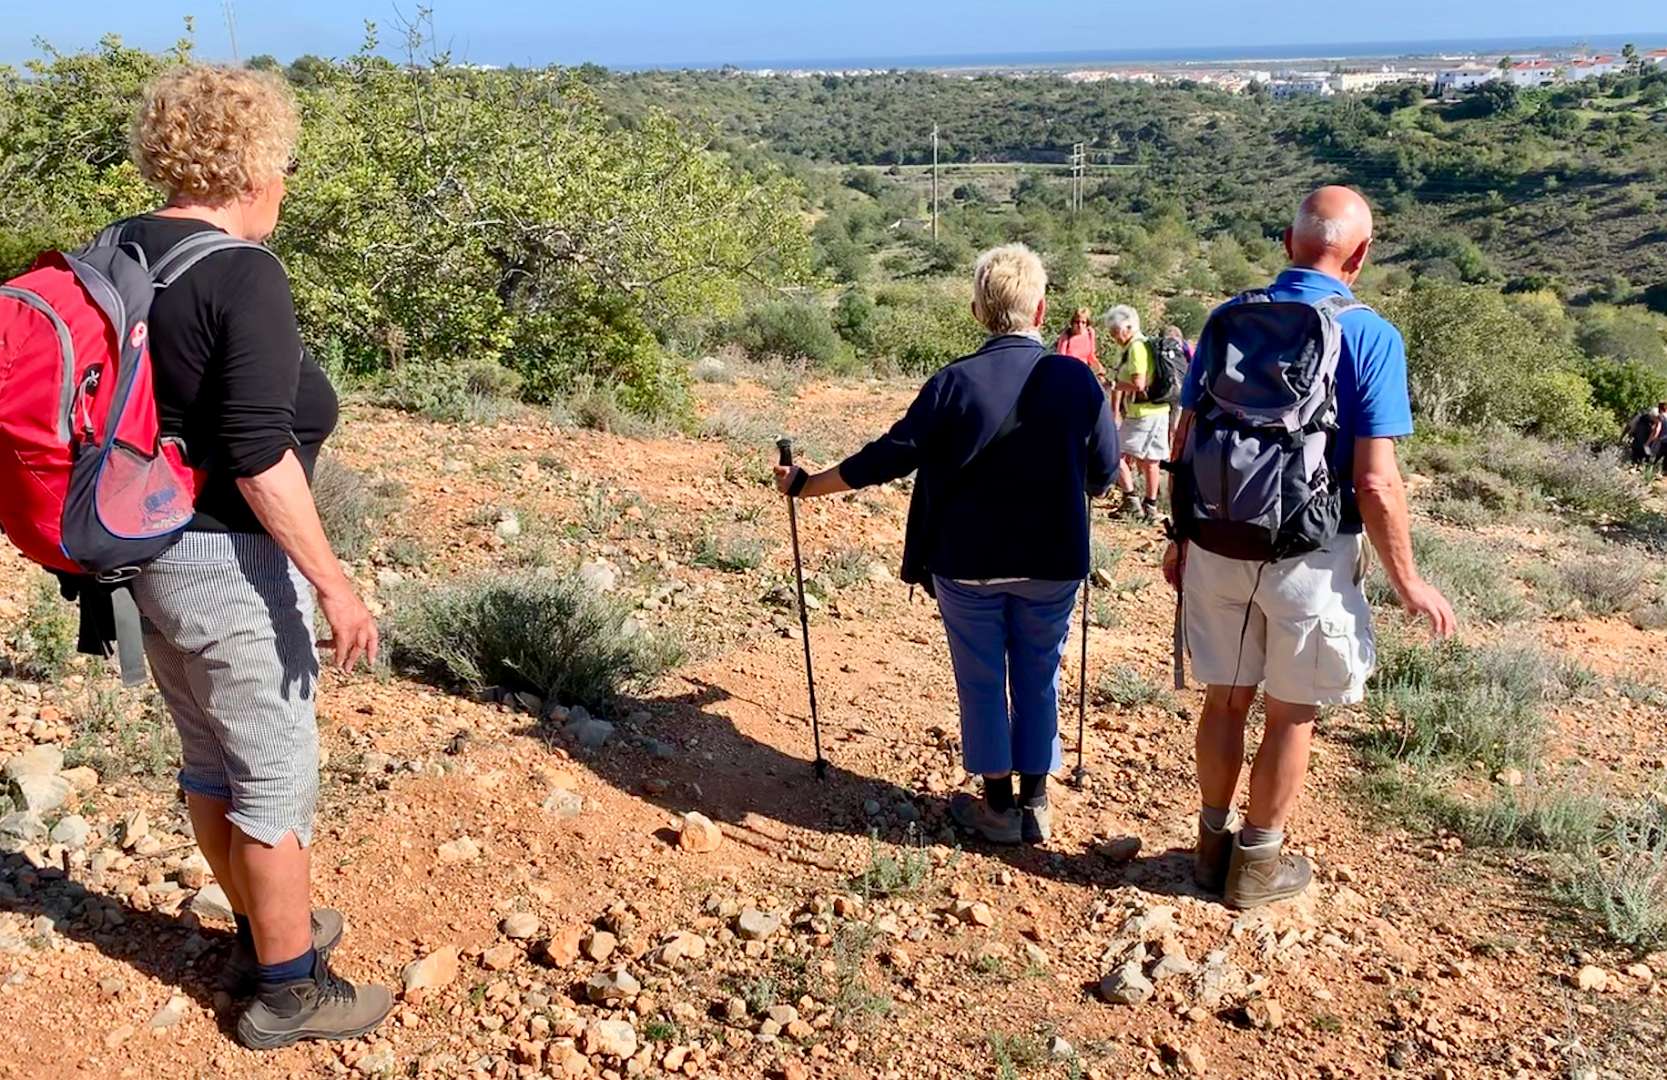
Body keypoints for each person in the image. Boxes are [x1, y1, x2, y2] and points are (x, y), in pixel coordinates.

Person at [122, 65, 391, 1048]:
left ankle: (261, 929)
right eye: (286, 162)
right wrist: (335, 585)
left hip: (146, 554)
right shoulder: (241, 272)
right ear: (254, 165)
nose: (286, 181)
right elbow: (257, 453)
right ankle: (288, 990)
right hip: (229, 566)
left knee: (212, 762)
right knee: (274, 783)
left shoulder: (123, 250)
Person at [1164, 186, 1457, 909]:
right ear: (1360, 256)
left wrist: (1178, 536)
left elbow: (1183, 438)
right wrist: (1408, 580)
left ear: (1287, 243)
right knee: (1292, 711)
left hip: (1217, 540)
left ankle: (1209, 849)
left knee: (1224, 701)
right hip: (1310, 555)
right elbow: (1375, 480)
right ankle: (1257, 867)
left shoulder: (1227, 319)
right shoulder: (1370, 335)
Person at [775, 244, 1118, 845]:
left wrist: (808, 485)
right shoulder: (1076, 379)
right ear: (1041, 310)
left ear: (978, 311)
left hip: (968, 563)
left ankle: (998, 808)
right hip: (1053, 561)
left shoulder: (952, 382)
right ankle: (1036, 803)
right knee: (1038, 676)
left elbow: (886, 458)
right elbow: (1104, 473)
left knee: (981, 679)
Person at [1106, 305, 1169, 522]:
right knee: (1152, 460)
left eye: (1115, 331)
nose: (1114, 336)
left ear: (1128, 327)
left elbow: (1139, 384)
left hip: (1143, 414)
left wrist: (1114, 385)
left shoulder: (1136, 348)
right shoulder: (1143, 344)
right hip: (1159, 410)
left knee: (1114, 453)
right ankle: (1150, 507)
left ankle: (1131, 500)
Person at [1055, 306, 1102, 374]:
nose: (1080, 325)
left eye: (1083, 322)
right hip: (1069, 371)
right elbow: (1061, 359)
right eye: (1077, 322)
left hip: (1084, 370)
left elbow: (1091, 355)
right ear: (1072, 322)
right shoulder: (1066, 335)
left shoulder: (1090, 333)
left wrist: (1098, 366)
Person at [1625, 402, 1665, 466]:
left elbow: (1631, 426)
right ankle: (1638, 465)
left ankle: (1638, 466)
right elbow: (1631, 427)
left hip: (1642, 444)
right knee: (1640, 457)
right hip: (1642, 444)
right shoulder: (1643, 418)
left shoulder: (1644, 418)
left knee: (1641, 458)